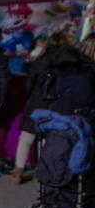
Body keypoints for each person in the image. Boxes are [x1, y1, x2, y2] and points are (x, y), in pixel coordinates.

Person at [10, 31, 87, 183]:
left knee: (26, 137)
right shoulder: (73, 62)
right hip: (58, 104)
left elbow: (29, 83)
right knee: (50, 139)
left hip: (37, 102)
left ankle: (17, 171)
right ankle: (44, 170)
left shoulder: (41, 60)